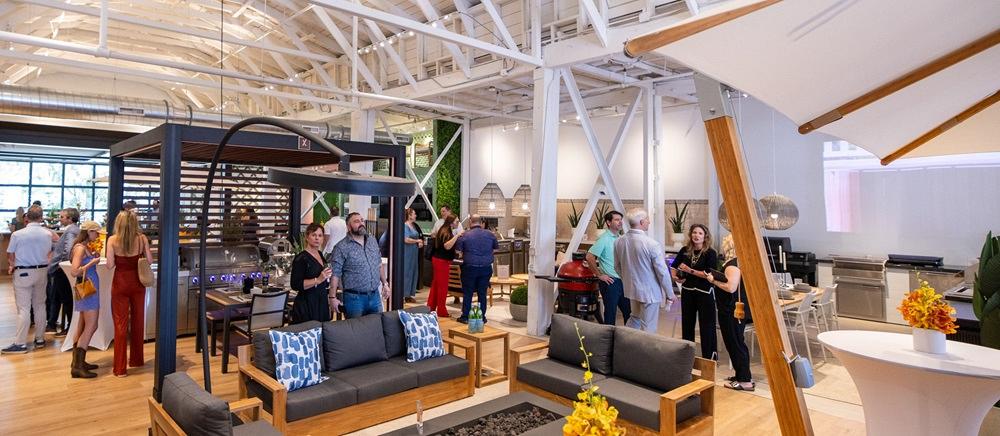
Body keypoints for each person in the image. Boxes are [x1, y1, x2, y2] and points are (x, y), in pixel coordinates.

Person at [106, 210, 153, 377]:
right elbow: (149, 260)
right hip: (138, 284)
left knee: (120, 324)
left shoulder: (112, 240)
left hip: (120, 284)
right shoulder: (141, 239)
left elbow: (110, 265)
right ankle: (137, 360)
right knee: (138, 320)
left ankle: (120, 369)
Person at [2, 206, 55, 354]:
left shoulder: (18, 234)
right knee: (40, 305)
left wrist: (12, 265)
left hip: (24, 271)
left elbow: (11, 254)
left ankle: (20, 343)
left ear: (27, 218)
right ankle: (39, 338)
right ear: (41, 217)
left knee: (24, 308)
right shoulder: (47, 234)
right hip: (42, 271)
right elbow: (52, 249)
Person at [613, 208, 675, 332]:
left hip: (631, 290)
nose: (649, 222)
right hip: (649, 293)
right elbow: (662, 272)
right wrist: (670, 293)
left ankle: (625, 345)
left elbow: (617, 267)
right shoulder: (651, 244)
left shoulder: (619, 241)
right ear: (641, 222)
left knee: (634, 319)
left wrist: (628, 280)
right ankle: (645, 350)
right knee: (648, 327)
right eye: (647, 219)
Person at [708, 235, 754, 391]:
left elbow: (731, 288)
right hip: (736, 310)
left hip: (731, 311)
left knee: (735, 344)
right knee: (736, 342)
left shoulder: (732, 266)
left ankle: (745, 380)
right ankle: (741, 375)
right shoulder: (741, 263)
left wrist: (713, 280)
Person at [671, 223, 719, 360]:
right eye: (694, 232)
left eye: (700, 233)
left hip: (705, 293)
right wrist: (675, 277)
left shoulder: (711, 253)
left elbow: (709, 274)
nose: (696, 235)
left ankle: (709, 358)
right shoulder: (685, 250)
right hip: (688, 292)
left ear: (705, 237)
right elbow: (673, 265)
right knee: (687, 324)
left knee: (707, 327)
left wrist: (689, 270)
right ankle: (687, 356)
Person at [330, 212, 390, 319]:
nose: (361, 223)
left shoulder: (372, 241)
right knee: (355, 332)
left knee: (376, 329)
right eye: (356, 221)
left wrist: (385, 284)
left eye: (362, 220)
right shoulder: (341, 247)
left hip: (375, 296)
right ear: (349, 227)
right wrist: (332, 297)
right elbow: (335, 274)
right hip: (354, 298)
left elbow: (378, 264)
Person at [68, 221, 103, 378]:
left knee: (83, 324)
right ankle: (77, 365)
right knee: (91, 325)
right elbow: (74, 271)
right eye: (96, 233)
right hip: (87, 288)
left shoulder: (83, 246)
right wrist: (92, 263)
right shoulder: (81, 248)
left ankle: (78, 361)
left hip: (88, 287)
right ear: (89, 232)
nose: (97, 236)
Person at [586, 210, 630, 325]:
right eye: (616, 220)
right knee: (610, 315)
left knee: (629, 313)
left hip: (623, 281)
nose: (620, 222)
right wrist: (599, 275)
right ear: (608, 222)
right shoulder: (604, 239)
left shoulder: (621, 238)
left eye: (621, 220)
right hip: (611, 282)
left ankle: (627, 339)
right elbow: (590, 256)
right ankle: (608, 341)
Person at [454, 214, 498, 324]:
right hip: (486, 268)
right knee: (482, 293)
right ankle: (482, 317)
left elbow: (458, 252)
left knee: (468, 293)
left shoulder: (465, 235)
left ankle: (465, 317)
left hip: (469, 268)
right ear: (481, 222)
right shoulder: (491, 235)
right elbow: (496, 249)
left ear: (470, 222)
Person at [47, 208, 81, 336]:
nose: (59, 219)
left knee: (66, 298)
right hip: (61, 268)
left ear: (70, 219)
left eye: (62, 217)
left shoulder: (71, 231)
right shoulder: (72, 230)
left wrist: (62, 264)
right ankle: (54, 324)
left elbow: (68, 250)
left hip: (62, 269)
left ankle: (69, 327)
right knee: (58, 296)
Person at [290, 223, 332, 323]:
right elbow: (295, 284)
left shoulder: (320, 254)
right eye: (314, 235)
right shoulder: (301, 258)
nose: (317, 238)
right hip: (307, 304)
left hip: (321, 301)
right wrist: (317, 280)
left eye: (320, 235)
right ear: (307, 237)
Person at [427, 215, 462, 317]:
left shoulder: (444, 229)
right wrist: (457, 235)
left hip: (438, 260)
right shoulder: (447, 232)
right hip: (442, 261)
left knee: (436, 285)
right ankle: (441, 311)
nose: (458, 223)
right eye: (456, 221)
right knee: (442, 287)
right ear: (451, 222)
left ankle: (431, 307)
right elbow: (447, 246)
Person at [402, 208, 424, 303]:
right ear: (410, 215)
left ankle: (409, 294)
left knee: (413, 272)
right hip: (407, 253)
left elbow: (417, 237)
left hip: (414, 253)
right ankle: (402, 295)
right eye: (414, 214)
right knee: (406, 273)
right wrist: (416, 241)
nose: (416, 216)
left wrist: (419, 243)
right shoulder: (405, 226)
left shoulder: (414, 226)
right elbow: (405, 239)